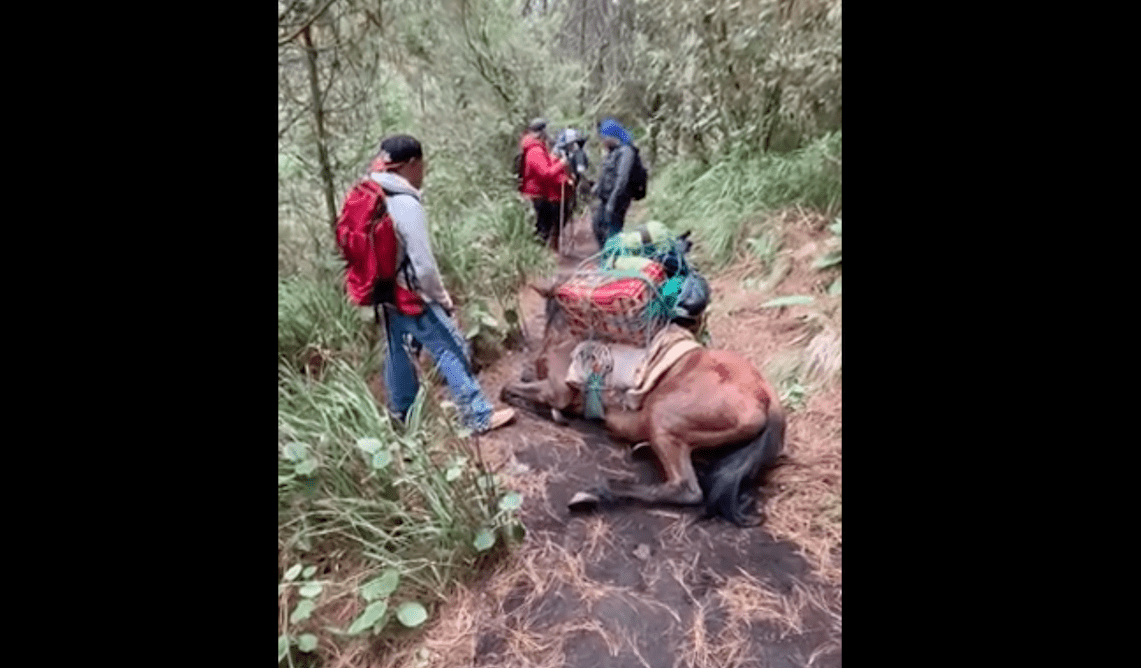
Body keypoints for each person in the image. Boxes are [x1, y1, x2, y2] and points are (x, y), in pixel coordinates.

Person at [367, 134, 515, 433]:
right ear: (410, 164)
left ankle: (402, 415)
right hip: (410, 294)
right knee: (450, 346)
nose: (423, 171)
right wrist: (440, 297)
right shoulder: (405, 203)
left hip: (382, 292)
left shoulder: (373, 193)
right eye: (422, 164)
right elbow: (423, 264)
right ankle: (477, 415)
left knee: (397, 351)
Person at [519, 118, 573, 250]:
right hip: (535, 196)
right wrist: (561, 164)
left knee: (545, 228)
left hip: (540, 194)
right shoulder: (535, 151)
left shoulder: (537, 148)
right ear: (541, 132)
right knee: (542, 230)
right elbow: (545, 173)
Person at [592, 118, 638, 250]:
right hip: (607, 198)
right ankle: (607, 255)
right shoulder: (613, 152)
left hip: (618, 199)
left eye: (604, 138)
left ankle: (613, 258)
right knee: (598, 225)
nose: (603, 141)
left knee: (612, 229)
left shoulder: (627, 152)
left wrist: (613, 201)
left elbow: (622, 178)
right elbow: (607, 174)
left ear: (611, 136)